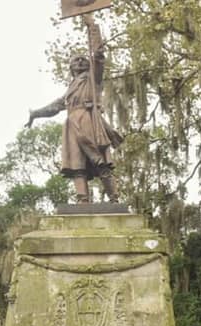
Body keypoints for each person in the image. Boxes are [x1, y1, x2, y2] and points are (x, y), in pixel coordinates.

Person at [25, 12, 122, 203]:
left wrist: (92, 26)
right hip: (72, 125)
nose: (80, 61)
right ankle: (82, 199)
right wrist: (35, 114)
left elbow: (99, 55)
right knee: (77, 165)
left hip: (88, 121)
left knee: (99, 160)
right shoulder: (70, 90)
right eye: (75, 60)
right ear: (70, 67)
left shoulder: (93, 79)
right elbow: (55, 106)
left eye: (82, 59)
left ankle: (114, 198)